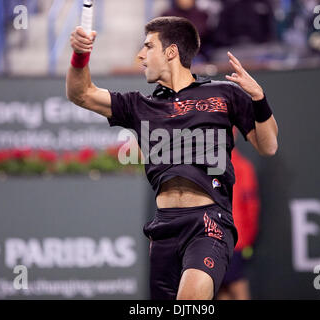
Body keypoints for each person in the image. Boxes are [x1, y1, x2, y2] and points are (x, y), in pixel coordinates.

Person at [66, 16, 278, 300]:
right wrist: (80, 54)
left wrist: (259, 100)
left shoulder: (224, 93)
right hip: (164, 227)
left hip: (208, 223)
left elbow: (268, 145)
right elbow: (81, 93)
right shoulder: (140, 105)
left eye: (148, 47)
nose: (140, 55)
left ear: (171, 52)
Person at [217, 143, 260, 300]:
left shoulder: (242, 166)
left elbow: (251, 206)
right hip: (215, 238)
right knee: (222, 289)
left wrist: (247, 239)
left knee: (237, 285)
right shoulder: (205, 164)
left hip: (233, 239)